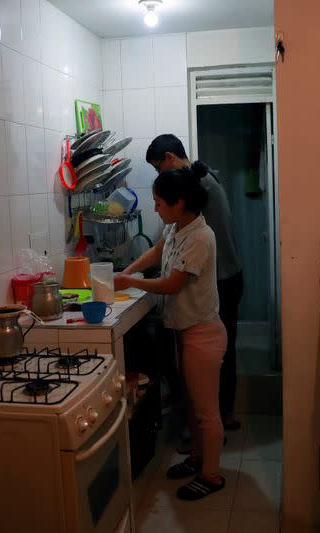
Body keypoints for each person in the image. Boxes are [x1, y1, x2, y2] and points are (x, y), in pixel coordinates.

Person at [114, 162, 227, 500]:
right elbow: (156, 252)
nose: (155, 208)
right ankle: (197, 459)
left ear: (179, 202)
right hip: (184, 331)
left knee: (206, 409)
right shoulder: (177, 227)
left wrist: (129, 282)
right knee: (191, 404)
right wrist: (125, 272)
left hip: (203, 334)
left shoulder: (201, 237)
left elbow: (174, 284)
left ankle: (211, 475)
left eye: (159, 203)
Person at [144, 134, 244, 431]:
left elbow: (173, 270)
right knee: (223, 353)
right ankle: (216, 417)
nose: (160, 175)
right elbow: (164, 245)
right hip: (229, 274)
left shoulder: (196, 190)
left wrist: (131, 281)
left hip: (223, 279)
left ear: (171, 158)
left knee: (217, 356)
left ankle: (214, 420)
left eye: (158, 168)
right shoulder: (204, 177)